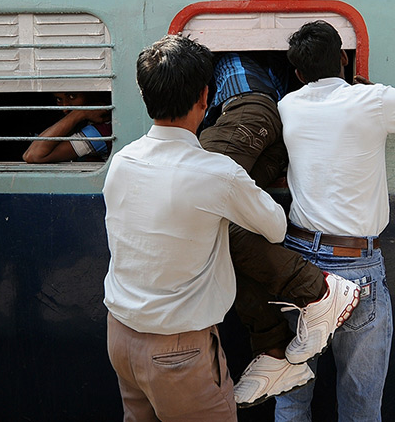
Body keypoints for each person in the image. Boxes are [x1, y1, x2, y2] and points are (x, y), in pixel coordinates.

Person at [274, 20, 395, 422]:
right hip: (356, 266)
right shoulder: (373, 100)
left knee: (292, 398)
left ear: (297, 73)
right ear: (343, 60)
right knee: (361, 404)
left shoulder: (287, 105)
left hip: (297, 264)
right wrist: (372, 95)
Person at [102, 35, 288, 421]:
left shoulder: (122, 161)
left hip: (120, 338)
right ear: (206, 97)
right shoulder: (217, 173)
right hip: (179, 354)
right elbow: (275, 228)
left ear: (144, 93)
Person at [198, 52, 362, 408]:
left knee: (192, 193)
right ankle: (273, 350)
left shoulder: (233, 63)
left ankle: (317, 291)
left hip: (246, 108)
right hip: (271, 135)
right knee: (217, 227)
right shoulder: (281, 78)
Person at [22, 92, 112, 163]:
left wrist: (80, 113)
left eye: (72, 96)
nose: (65, 107)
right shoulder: (82, 123)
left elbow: (33, 155)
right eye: (59, 99)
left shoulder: (101, 131)